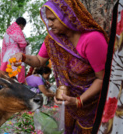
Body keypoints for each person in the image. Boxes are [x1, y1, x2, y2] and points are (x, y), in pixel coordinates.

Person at [11, 0, 108, 133]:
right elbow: (39, 61)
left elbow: (102, 78)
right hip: (68, 103)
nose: (49, 24)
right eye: (48, 19)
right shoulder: (53, 40)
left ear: (68, 15)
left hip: (91, 106)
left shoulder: (93, 39)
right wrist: (22, 57)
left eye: (52, 19)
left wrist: (79, 101)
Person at [0, 17, 29, 83]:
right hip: (16, 55)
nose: (22, 29)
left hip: (6, 56)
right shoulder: (17, 30)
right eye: (23, 27)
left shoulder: (8, 32)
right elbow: (22, 44)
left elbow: (4, 46)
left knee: (5, 78)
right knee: (17, 79)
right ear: (22, 25)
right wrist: (27, 42)